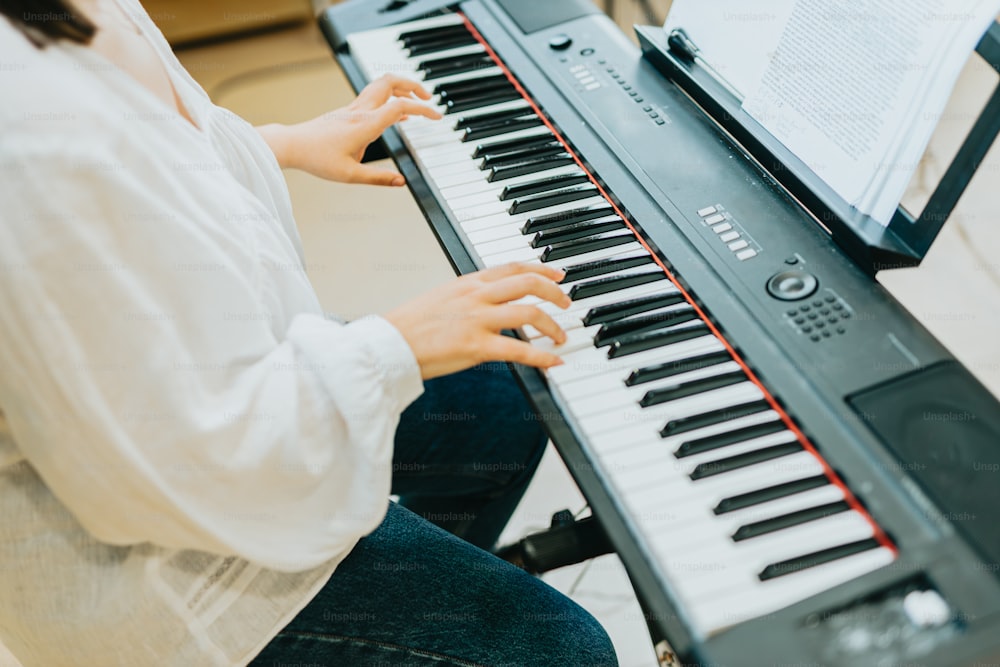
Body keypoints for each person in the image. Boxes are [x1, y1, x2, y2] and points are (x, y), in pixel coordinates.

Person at [0, 0, 619, 665]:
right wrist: (396, 344)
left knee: (502, 402)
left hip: (222, 388)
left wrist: (282, 142)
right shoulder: (23, 119)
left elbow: (146, 159)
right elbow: (186, 459)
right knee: (564, 649)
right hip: (174, 574)